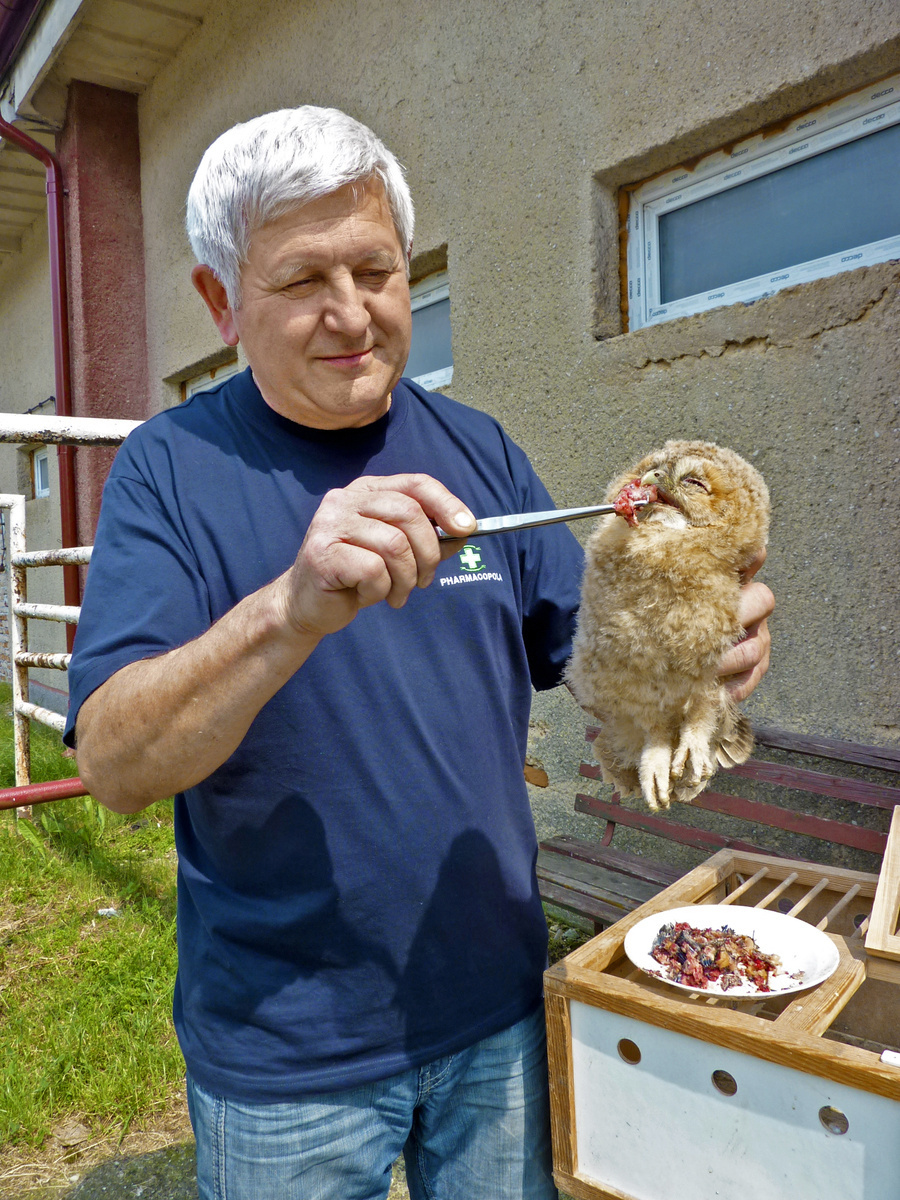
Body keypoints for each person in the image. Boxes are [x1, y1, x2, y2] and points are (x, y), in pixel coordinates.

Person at [64, 106, 773, 1200]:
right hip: (287, 1053)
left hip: (496, 1008)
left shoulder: (478, 448)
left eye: (378, 270)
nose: (353, 315)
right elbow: (115, 767)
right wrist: (290, 608)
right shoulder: (171, 470)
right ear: (222, 302)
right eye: (304, 281)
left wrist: (688, 650)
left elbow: (588, 656)